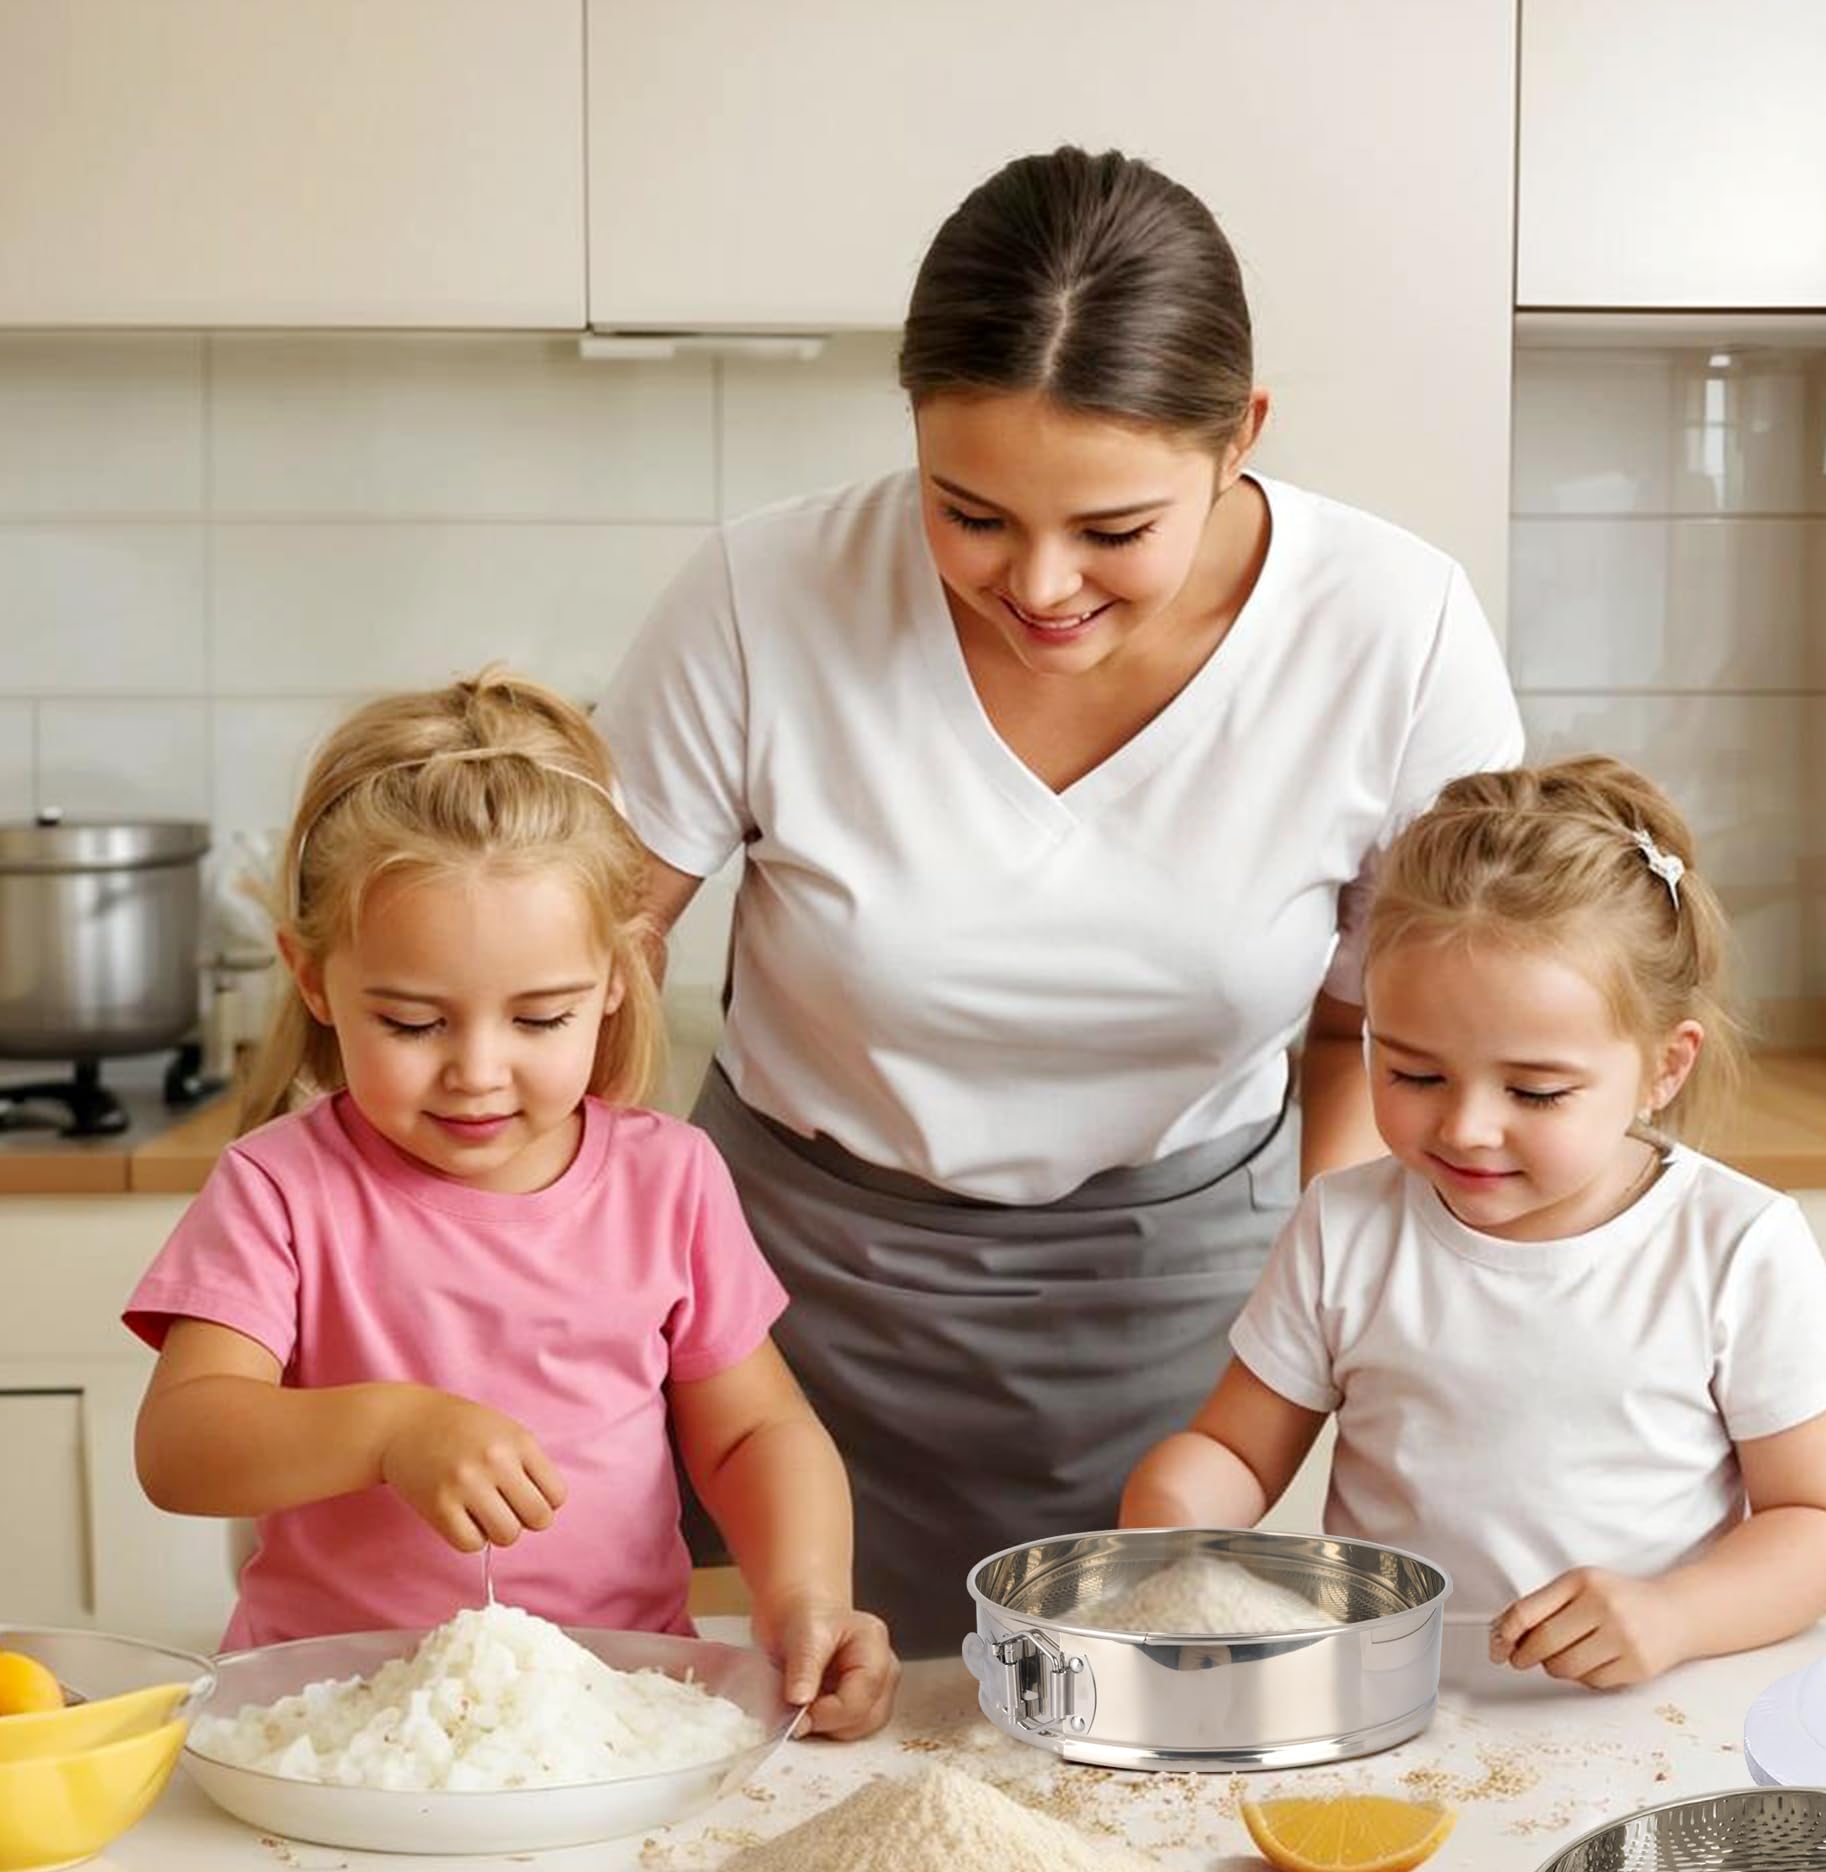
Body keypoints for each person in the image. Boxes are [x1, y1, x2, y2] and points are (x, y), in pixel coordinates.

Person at [592, 146, 1523, 1656]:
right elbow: (593, 963)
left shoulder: (1393, 631)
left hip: (1185, 1330)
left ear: (1243, 440)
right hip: (780, 1314)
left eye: (1112, 531)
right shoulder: (763, 596)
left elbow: (1374, 1031)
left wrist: (1333, 1297)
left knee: (1114, 1778)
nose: (1038, 586)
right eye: (969, 515)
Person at [127, 670, 897, 1740]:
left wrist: (807, 1590)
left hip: (606, 1718)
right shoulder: (281, 1188)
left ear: (617, 975)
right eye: (410, 1022)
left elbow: (754, 1428)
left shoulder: (665, 1177)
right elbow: (181, 1444)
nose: (477, 1072)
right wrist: (390, 1426)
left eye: (539, 1017)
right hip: (330, 1726)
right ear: (314, 979)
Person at [1121, 757, 1826, 1688]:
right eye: (1413, 1075)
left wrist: (1674, 1614)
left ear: (1663, 1067)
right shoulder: (1346, 1229)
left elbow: (1825, 1528)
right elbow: (1237, 1448)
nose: (1467, 1127)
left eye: (1536, 1090)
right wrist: (1175, 1502)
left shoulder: (1735, 1245)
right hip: (1390, 1713)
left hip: (1652, 1716)